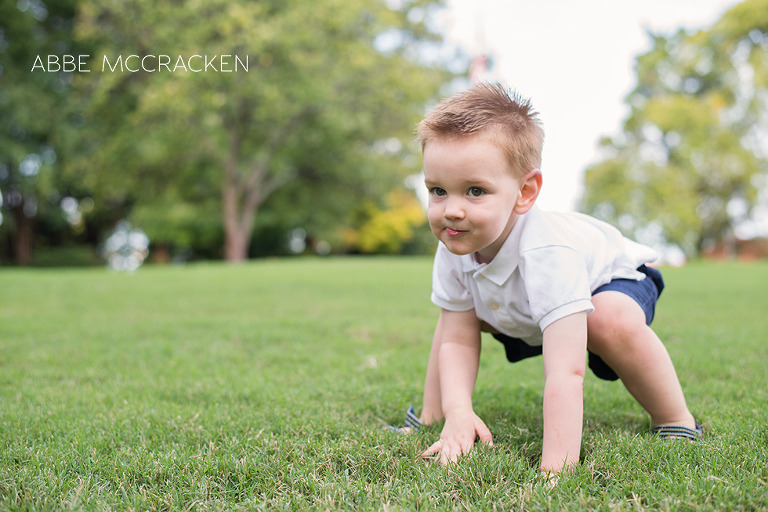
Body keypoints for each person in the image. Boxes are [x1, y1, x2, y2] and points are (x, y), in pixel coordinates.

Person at [396, 82, 701, 476]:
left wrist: (555, 471)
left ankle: (675, 419)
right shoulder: (454, 244)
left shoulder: (549, 252)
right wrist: (460, 410)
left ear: (525, 192)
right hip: (520, 303)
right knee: (455, 316)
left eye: (475, 191)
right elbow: (456, 339)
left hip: (609, 280)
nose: (451, 211)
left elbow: (566, 372)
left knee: (607, 320)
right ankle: (435, 413)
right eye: (438, 190)